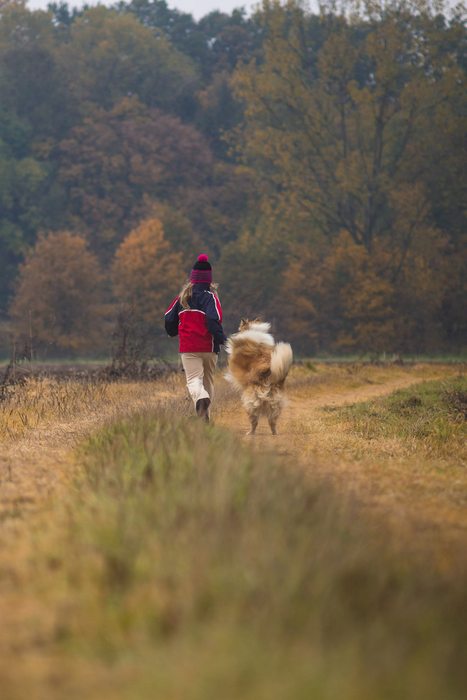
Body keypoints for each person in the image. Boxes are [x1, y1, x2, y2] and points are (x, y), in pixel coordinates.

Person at [165, 254, 227, 421]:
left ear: (192, 278)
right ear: (209, 280)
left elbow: (169, 318)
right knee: (208, 382)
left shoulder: (182, 298)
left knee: (194, 380)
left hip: (189, 347)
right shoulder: (211, 298)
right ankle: (205, 417)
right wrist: (223, 340)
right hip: (209, 348)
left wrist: (172, 332)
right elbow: (213, 321)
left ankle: (200, 400)